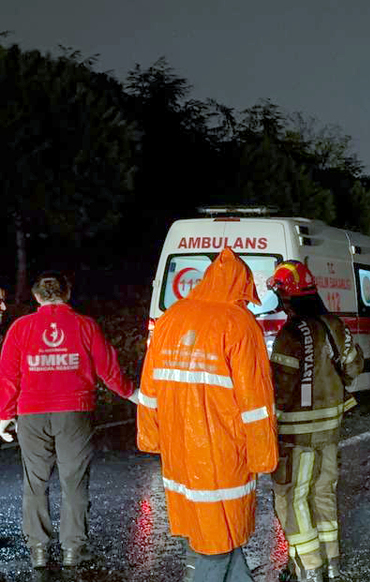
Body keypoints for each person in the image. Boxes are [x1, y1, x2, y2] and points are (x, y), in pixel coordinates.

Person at [136, 248, 278, 582]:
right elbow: (256, 403)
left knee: (218, 537)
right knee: (216, 546)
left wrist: (151, 437)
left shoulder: (170, 319)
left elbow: (149, 390)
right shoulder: (240, 324)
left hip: (179, 454)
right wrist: (263, 457)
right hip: (222, 456)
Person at [0, 271, 135, 569]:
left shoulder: (20, 328)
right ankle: (73, 549)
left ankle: (38, 550)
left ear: (36, 296)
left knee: (35, 483)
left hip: (32, 415)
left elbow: (8, 376)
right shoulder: (84, 325)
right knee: (73, 482)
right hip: (75, 413)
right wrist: (132, 393)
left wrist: (4, 416)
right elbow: (107, 367)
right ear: (68, 292)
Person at [267, 261, 364, 581]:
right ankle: (332, 563)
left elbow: (280, 389)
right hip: (330, 430)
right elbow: (353, 367)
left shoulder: (290, 334)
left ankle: (309, 568)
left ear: (287, 298)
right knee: (324, 492)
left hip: (296, 436)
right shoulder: (334, 325)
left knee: (291, 498)